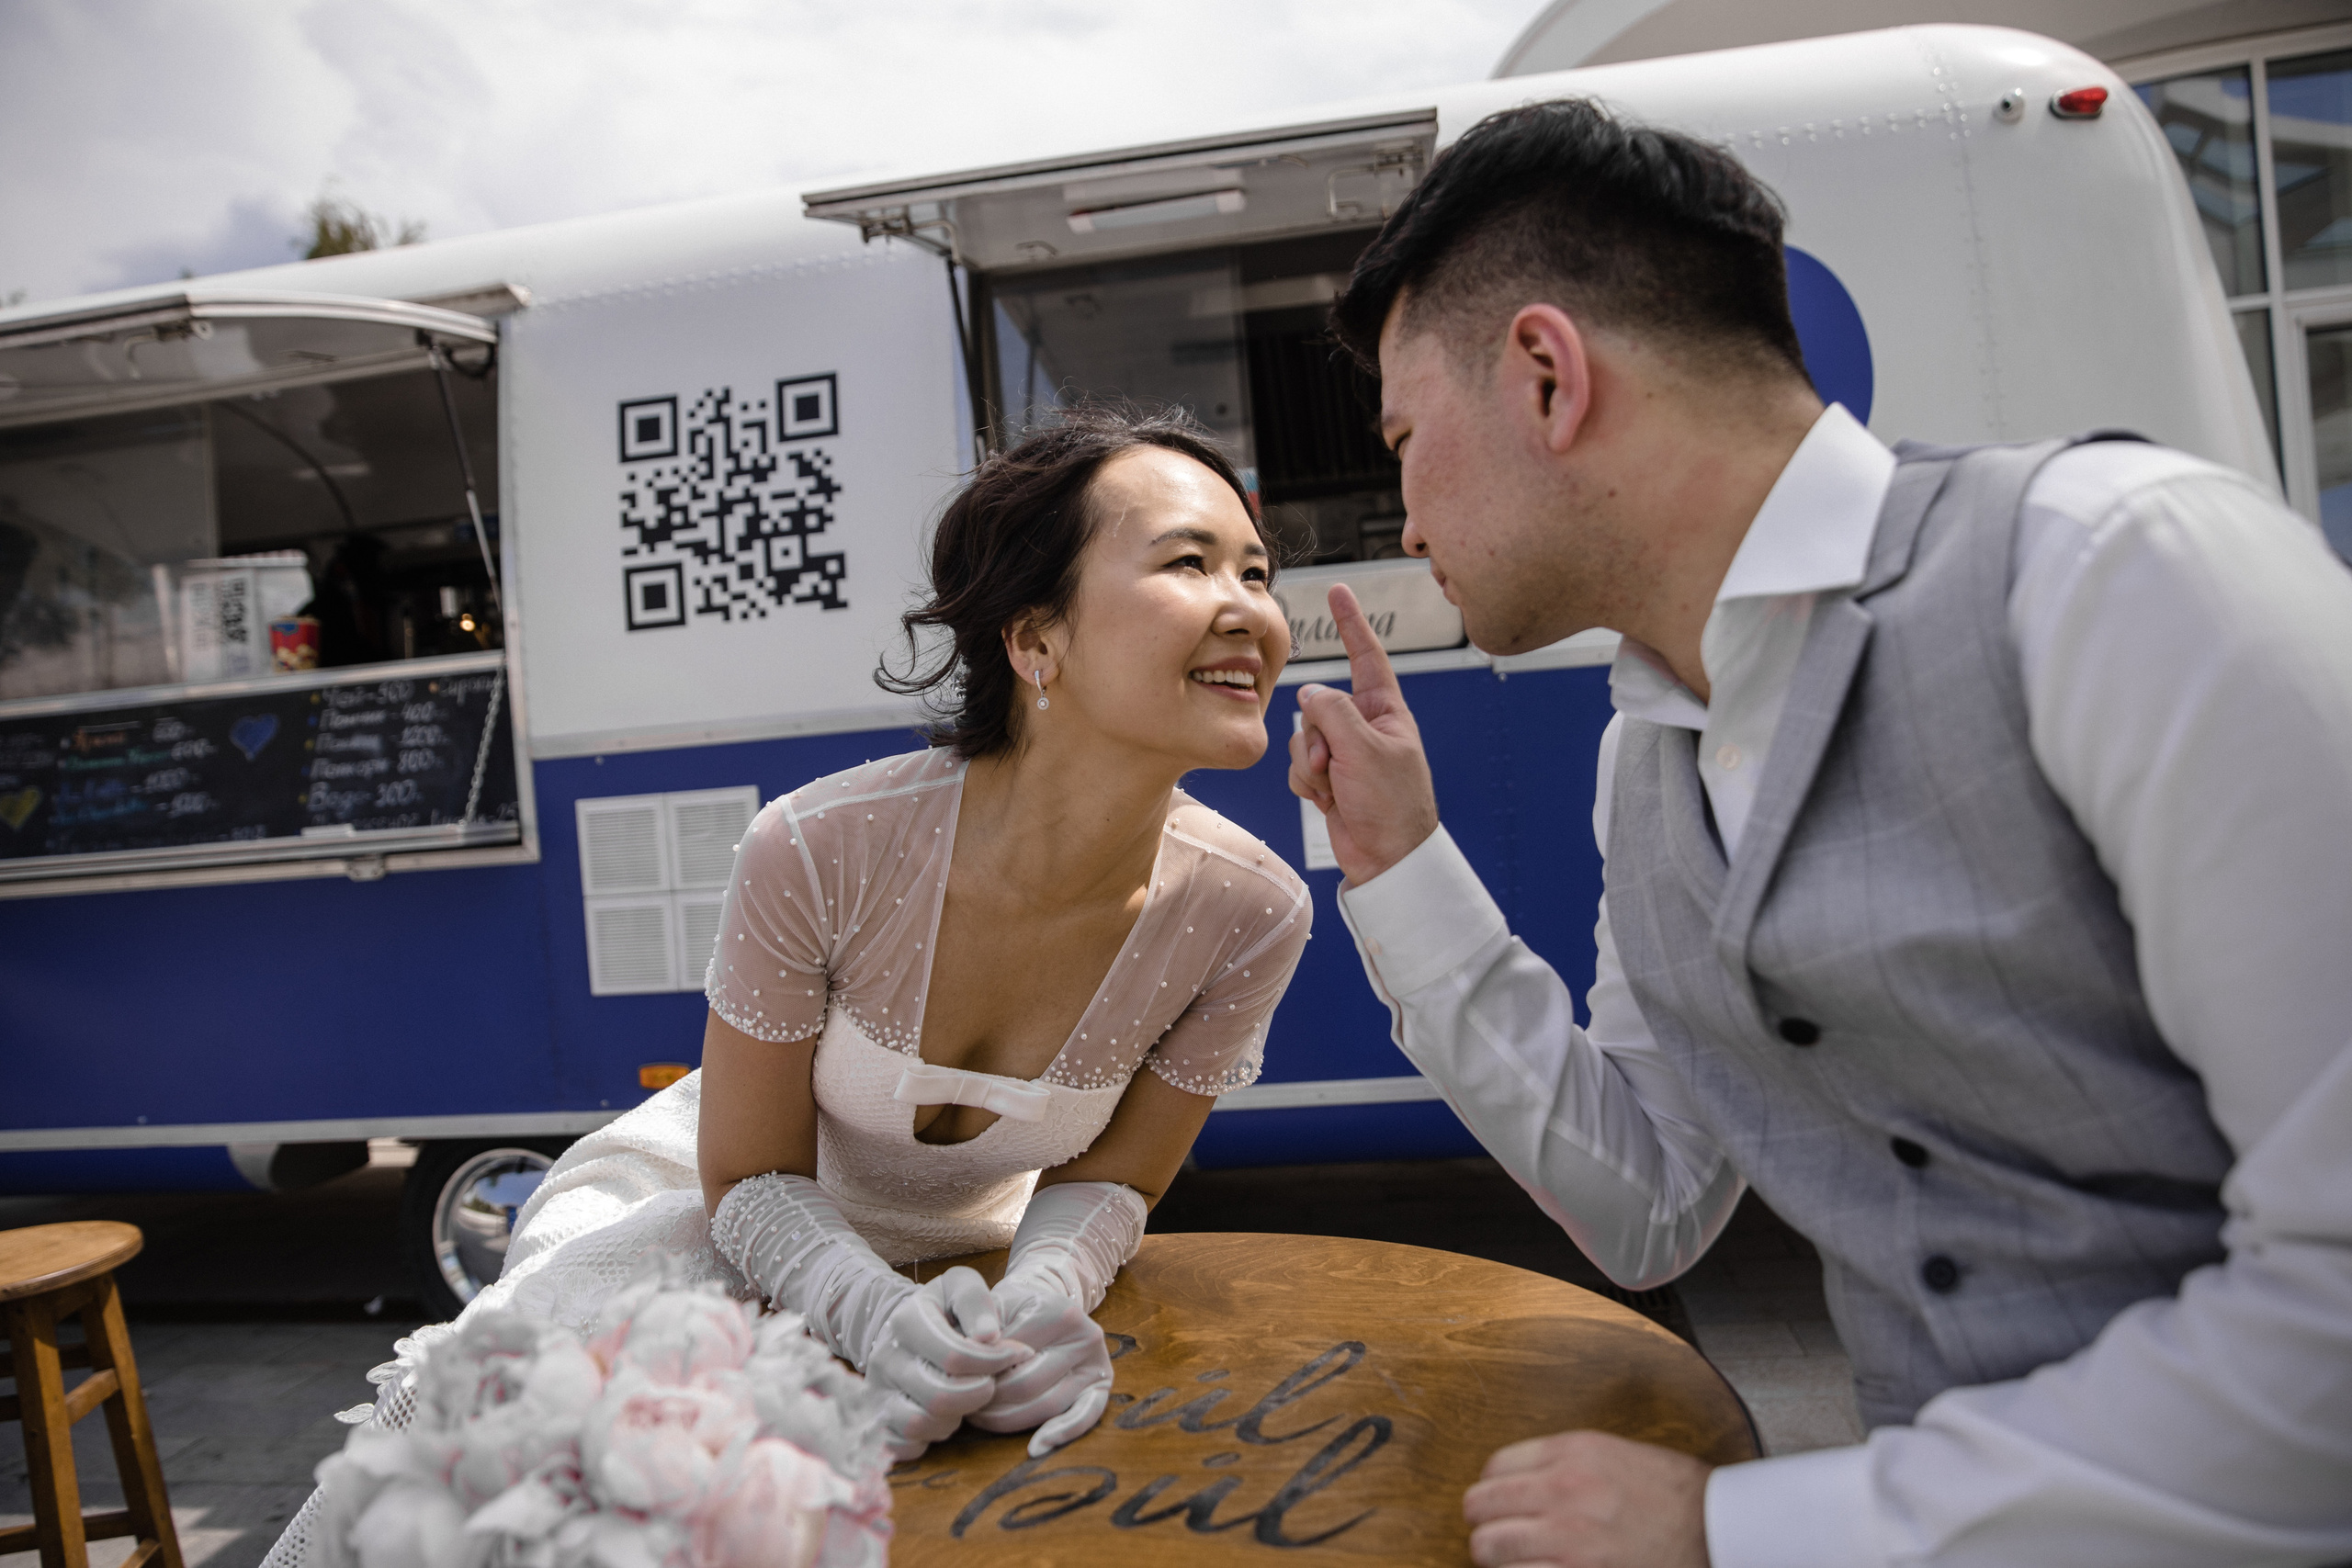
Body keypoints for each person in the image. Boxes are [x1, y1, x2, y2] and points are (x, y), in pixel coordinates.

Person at [1290, 98, 2352, 1568]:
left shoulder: (2120, 571)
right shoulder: (1643, 759)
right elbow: (1653, 1205)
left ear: (1547, 375)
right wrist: (1405, 870)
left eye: (1405, 440)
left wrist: (1751, 1524)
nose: (1403, 520)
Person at [263, 406, 1310, 1568]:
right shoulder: (818, 847)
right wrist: (865, 1314)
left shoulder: (1253, 914)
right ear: (1034, 641)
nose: (1250, 610)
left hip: (971, 1273)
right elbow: (747, 1173)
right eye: (1188, 562)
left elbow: (1112, 1182)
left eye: (1258, 574)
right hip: (717, 1218)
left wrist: (1046, 1287)